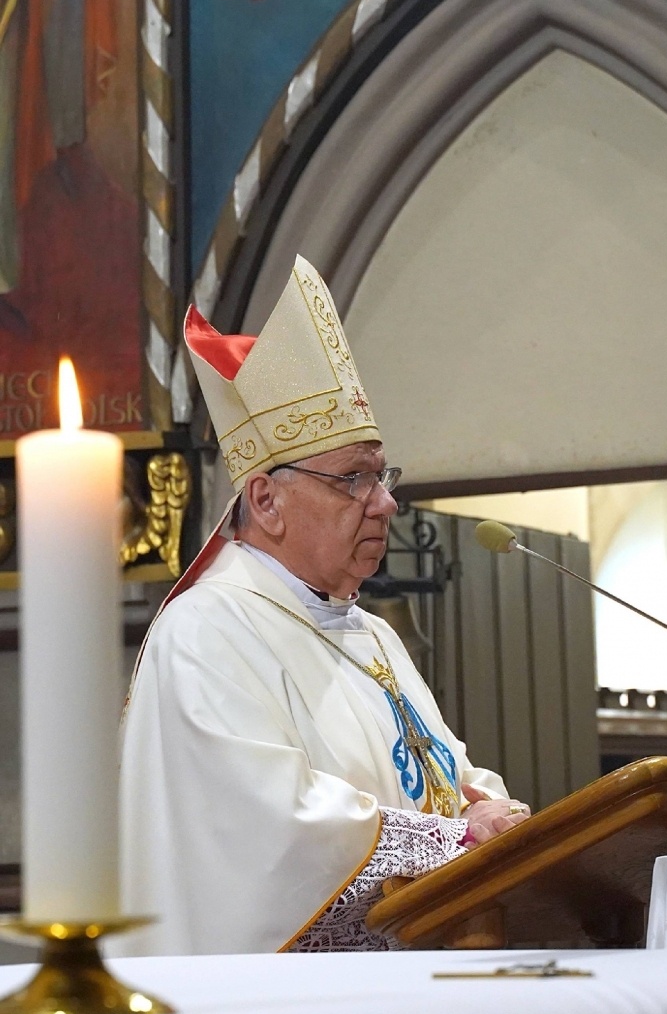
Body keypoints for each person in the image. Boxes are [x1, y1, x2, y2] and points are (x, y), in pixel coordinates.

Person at [120, 254, 531, 955]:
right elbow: (264, 828)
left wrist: (487, 806)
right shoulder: (206, 630)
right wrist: (455, 838)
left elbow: (442, 769)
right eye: (353, 481)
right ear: (266, 500)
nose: (386, 503)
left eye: (383, 476)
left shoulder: (369, 632)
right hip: (273, 1011)